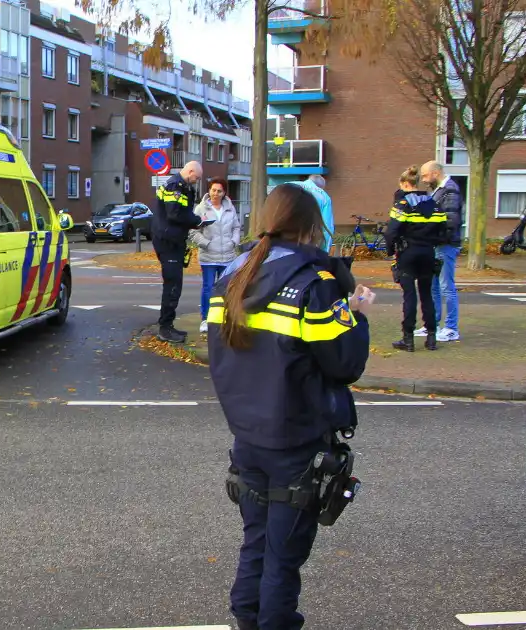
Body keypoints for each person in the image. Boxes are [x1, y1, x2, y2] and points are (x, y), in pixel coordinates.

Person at [206, 183, 373, 630]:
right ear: (311, 226)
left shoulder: (232, 277)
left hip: (248, 438)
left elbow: (223, 359)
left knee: (256, 544)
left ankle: (246, 621)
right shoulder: (313, 285)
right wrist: (354, 314)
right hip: (297, 443)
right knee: (283, 558)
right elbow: (344, 363)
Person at [385, 166, 449, 352]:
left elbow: (392, 232)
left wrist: (391, 250)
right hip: (428, 253)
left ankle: (408, 338)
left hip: (408, 254)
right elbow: (443, 231)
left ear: (405, 184)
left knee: (409, 296)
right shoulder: (434, 204)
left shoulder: (403, 204)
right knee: (426, 294)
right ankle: (431, 338)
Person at [152, 160, 204, 343]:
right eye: (196, 177)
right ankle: (165, 328)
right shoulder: (175, 186)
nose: (196, 181)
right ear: (190, 171)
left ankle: (168, 325)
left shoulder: (180, 186)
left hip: (172, 240)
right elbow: (174, 213)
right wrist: (197, 220)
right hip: (168, 242)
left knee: (174, 284)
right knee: (173, 285)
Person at [191, 178, 242, 334]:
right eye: (213, 190)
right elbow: (193, 231)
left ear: (224, 193)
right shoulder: (201, 209)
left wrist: (234, 241)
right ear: (209, 191)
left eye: (219, 191)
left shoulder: (230, 208)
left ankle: (224, 317)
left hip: (228, 256)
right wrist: (205, 243)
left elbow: (236, 227)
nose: (215, 193)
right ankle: (206, 319)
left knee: (226, 288)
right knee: (208, 288)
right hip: (208, 257)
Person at [419, 161, 462, 342]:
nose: (423, 180)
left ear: (435, 173)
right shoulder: (439, 191)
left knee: (446, 286)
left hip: (445, 245)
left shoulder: (450, 190)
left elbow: (450, 221)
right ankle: (433, 325)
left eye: (425, 176)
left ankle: (451, 328)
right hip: (437, 245)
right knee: (434, 286)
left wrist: (435, 237)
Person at [292, 174, 334, 253]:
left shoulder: (289, 185)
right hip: (304, 240)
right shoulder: (324, 196)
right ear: (321, 187)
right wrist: (325, 252)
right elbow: (327, 228)